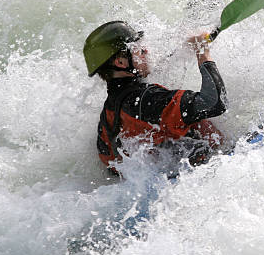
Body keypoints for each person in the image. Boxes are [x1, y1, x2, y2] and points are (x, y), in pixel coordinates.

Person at [83, 21, 227, 176]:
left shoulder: (109, 112)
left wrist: (185, 49)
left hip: (157, 185)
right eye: (138, 50)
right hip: (202, 173)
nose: (146, 50)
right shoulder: (146, 101)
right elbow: (215, 102)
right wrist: (203, 52)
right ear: (121, 62)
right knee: (197, 121)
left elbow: (109, 162)